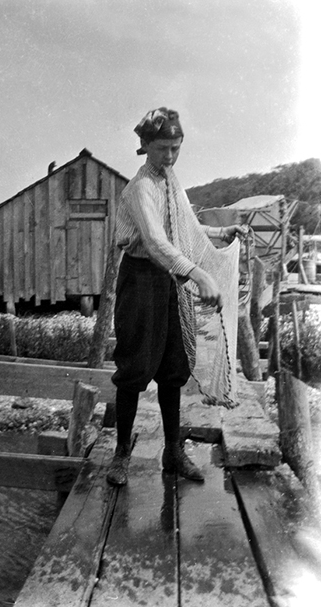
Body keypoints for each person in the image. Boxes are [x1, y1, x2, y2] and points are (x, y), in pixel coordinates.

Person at [107, 107, 245, 486]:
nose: (169, 156)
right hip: (141, 278)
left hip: (172, 279)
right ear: (145, 146)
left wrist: (220, 234)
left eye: (176, 148)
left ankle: (172, 451)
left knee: (174, 366)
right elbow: (154, 241)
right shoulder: (140, 189)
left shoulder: (171, 181)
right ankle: (120, 456)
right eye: (162, 148)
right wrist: (198, 273)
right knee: (134, 368)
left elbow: (183, 226)